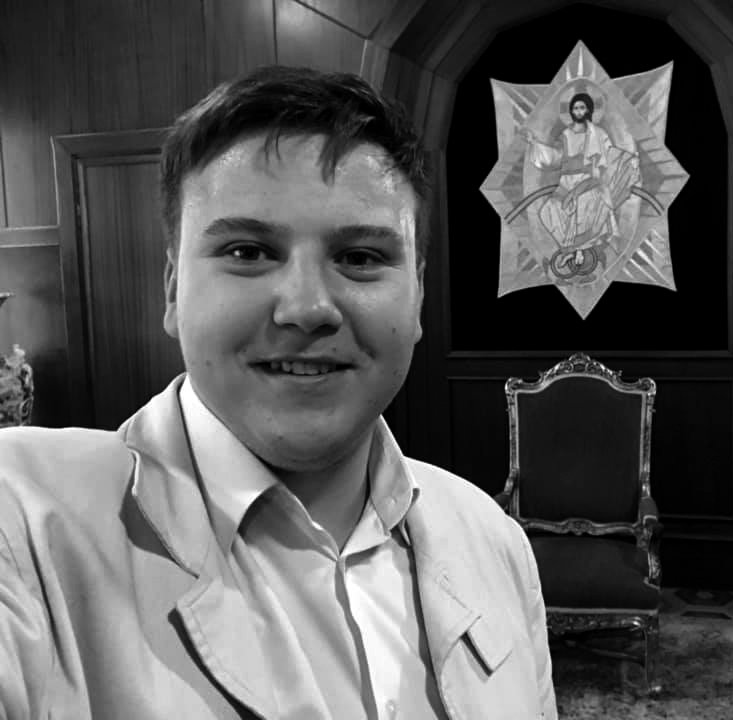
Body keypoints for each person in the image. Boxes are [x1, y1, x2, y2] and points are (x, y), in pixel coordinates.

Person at [0, 66, 557, 720]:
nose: (307, 307)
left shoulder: (493, 539)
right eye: (247, 251)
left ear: (418, 297)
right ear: (173, 289)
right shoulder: (26, 522)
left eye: (360, 258)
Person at [522, 92, 639, 273]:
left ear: (588, 110)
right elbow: (555, 157)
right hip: (565, 182)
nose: (578, 111)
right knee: (548, 210)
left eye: (582, 107)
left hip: (588, 182)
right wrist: (535, 145)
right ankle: (571, 250)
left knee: (584, 209)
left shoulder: (598, 134)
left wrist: (628, 162)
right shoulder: (566, 134)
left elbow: (608, 158)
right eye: (575, 108)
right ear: (571, 111)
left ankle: (577, 252)